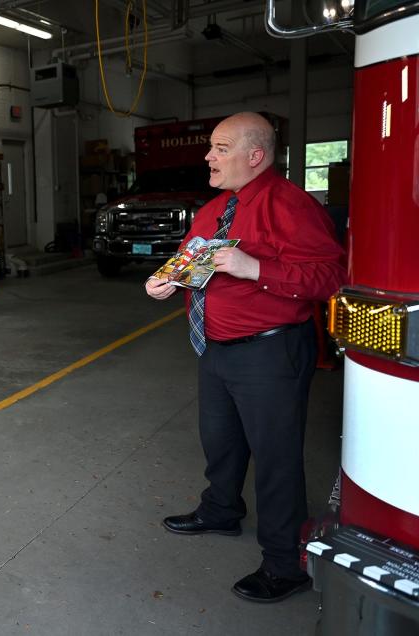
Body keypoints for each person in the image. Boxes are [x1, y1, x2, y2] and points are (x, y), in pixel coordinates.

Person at [145, 112, 346, 603]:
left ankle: (284, 562)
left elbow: (331, 279)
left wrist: (254, 266)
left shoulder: (292, 206)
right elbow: (188, 259)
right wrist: (166, 282)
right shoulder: (214, 209)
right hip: (214, 348)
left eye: (220, 148)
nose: (208, 157)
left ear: (255, 156)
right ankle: (220, 509)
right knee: (220, 440)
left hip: (269, 350)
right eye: (211, 148)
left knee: (276, 459)